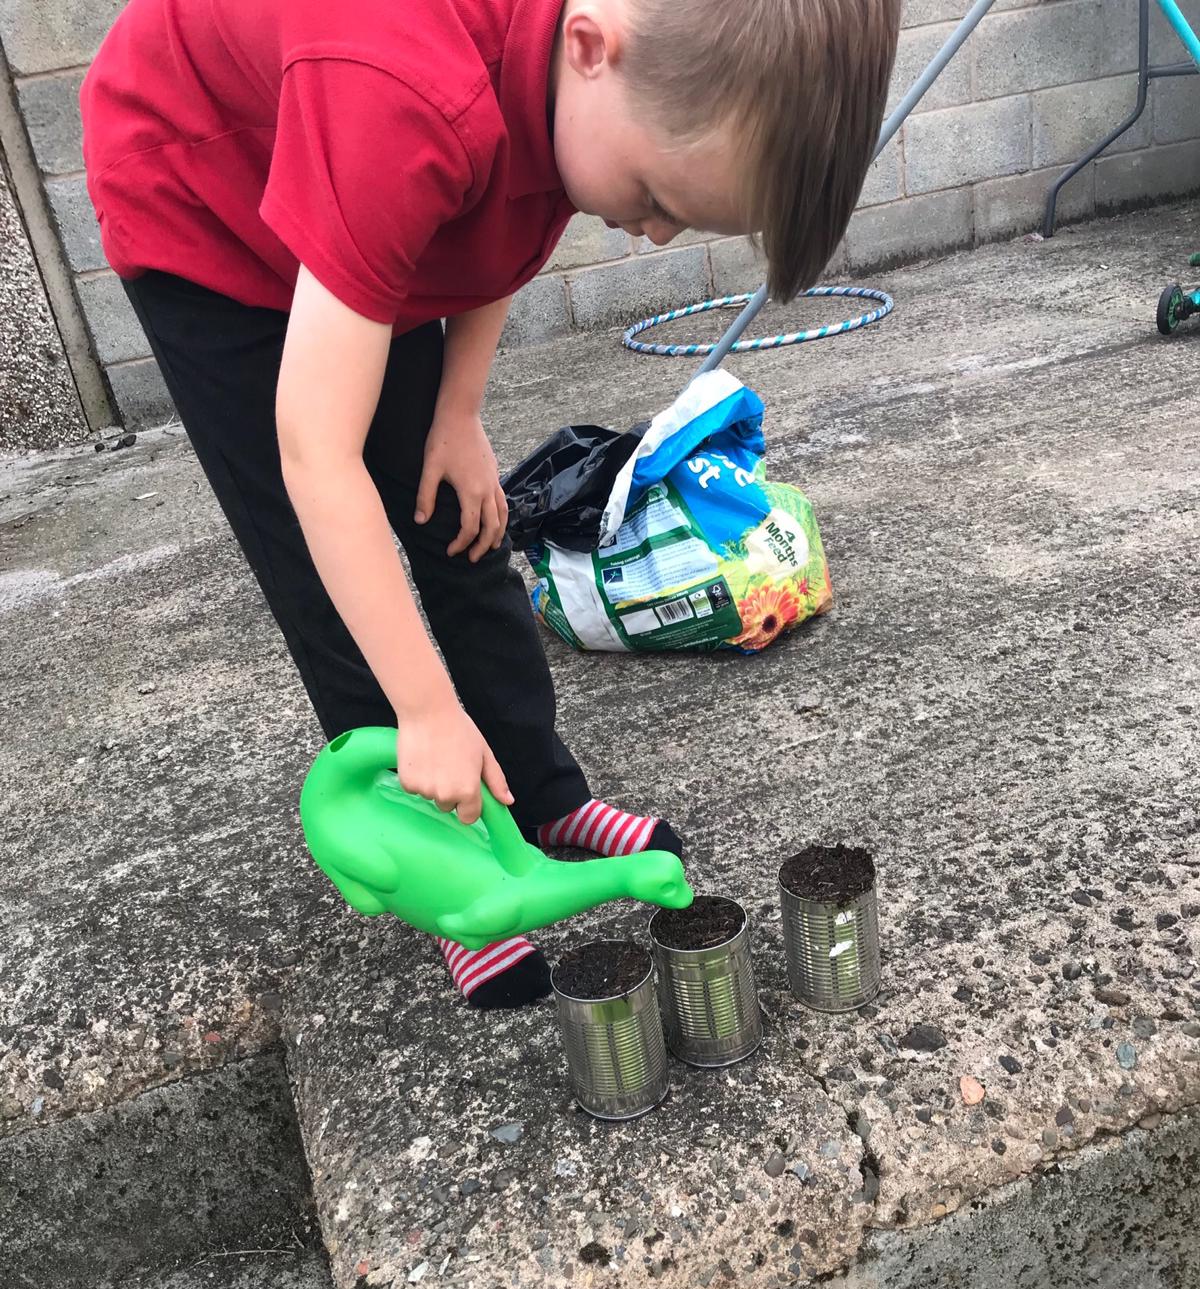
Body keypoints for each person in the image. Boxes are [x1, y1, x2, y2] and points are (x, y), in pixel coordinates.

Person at [81, 0, 899, 1009]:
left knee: (460, 520)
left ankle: (544, 801)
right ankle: (449, 866)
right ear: (592, 48)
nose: (650, 230)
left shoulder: (562, 83)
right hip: (203, 204)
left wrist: (458, 411)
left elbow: (500, 221)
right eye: (652, 194)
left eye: (681, 219)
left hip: (363, 171)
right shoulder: (405, 97)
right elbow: (315, 450)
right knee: (329, 575)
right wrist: (425, 712)